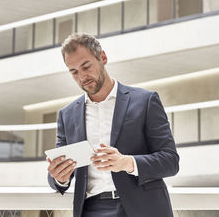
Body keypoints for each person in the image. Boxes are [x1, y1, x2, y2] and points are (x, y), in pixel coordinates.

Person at [47, 33, 179, 217]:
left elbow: (170, 161)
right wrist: (59, 178)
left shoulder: (145, 101)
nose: (82, 77)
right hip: (92, 210)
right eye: (74, 72)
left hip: (144, 209)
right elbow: (60, 173)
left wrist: (126, 162)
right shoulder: (66, 115)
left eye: (86, 66)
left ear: (103, 57)